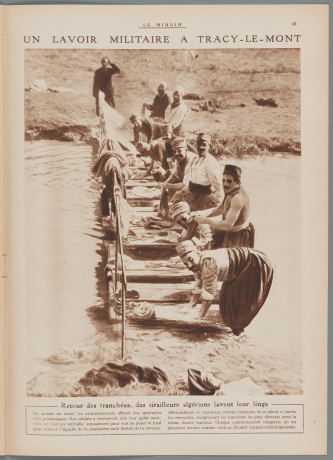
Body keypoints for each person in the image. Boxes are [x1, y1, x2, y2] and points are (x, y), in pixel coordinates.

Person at [176, 240, 274, 335]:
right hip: (236, 272)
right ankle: (235, 330)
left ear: (197, 252)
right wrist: (189, 307)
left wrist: (198, 318)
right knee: (227, 307)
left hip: (253, 263)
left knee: (242, 307)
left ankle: (238, 332)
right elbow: (198, 286)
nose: (189, 266)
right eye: (185, 264)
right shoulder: (196, 266)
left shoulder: (208, 263)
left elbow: (209, 296)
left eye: (191, 260)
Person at [193, 164, 254, 249]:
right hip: (229, 231)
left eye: (229, 181)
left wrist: (206, 221)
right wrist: (202, 214)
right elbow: (221, 208)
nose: (225, 184)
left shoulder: (238, 198)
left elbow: (227, 225)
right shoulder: (230, 191)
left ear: (238, 182)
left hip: (238, 236)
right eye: (223, 180)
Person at [173, 133, 222, 212]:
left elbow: (218, 185)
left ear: (209, 146)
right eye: (199, 145)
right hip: (192, 196)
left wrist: (218, 204)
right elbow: (189, 180)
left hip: (204, 199)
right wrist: (183, 191)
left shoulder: (210, 162)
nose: (201, 147)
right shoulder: (194, 159)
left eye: (204, 145)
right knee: (174, 211)